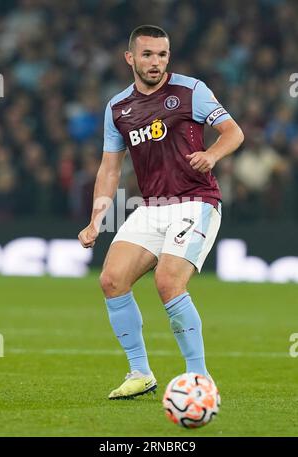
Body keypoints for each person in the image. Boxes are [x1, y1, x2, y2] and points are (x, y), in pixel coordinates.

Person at [78, 25, 244, 399]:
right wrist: (95, 219)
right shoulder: (118, 108)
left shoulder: (191, 91)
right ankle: (140, 372)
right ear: (130, 58)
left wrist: (212, 154)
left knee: (168, 283)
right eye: (148, 55)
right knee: (111, 280)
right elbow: (109, 168)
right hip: (152, 206)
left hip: (196, 200)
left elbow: (234, 132)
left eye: (163, 55)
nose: (156, 62)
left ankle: (199, 379)